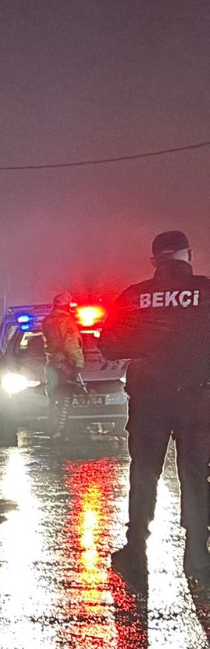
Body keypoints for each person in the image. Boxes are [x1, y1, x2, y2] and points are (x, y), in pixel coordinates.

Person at [99, 230, 210, 593]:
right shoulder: (206, 291)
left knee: (145, 473)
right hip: (198, 399)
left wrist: (149, 342)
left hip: (149, 401)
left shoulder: (135, 296)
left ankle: (136, 551)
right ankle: (198, 554)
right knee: (196, 475)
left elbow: (110, 345)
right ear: (188, 255)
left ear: (154, 261)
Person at [42, 293, 85, 440]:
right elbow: (71, 344)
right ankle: (62, 430)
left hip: (53, 364)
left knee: (56, 398)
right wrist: (78, 363)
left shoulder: (48, 321)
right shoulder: (66, 321)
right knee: (67, 399)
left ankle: (53, 426)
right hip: (65, 364)